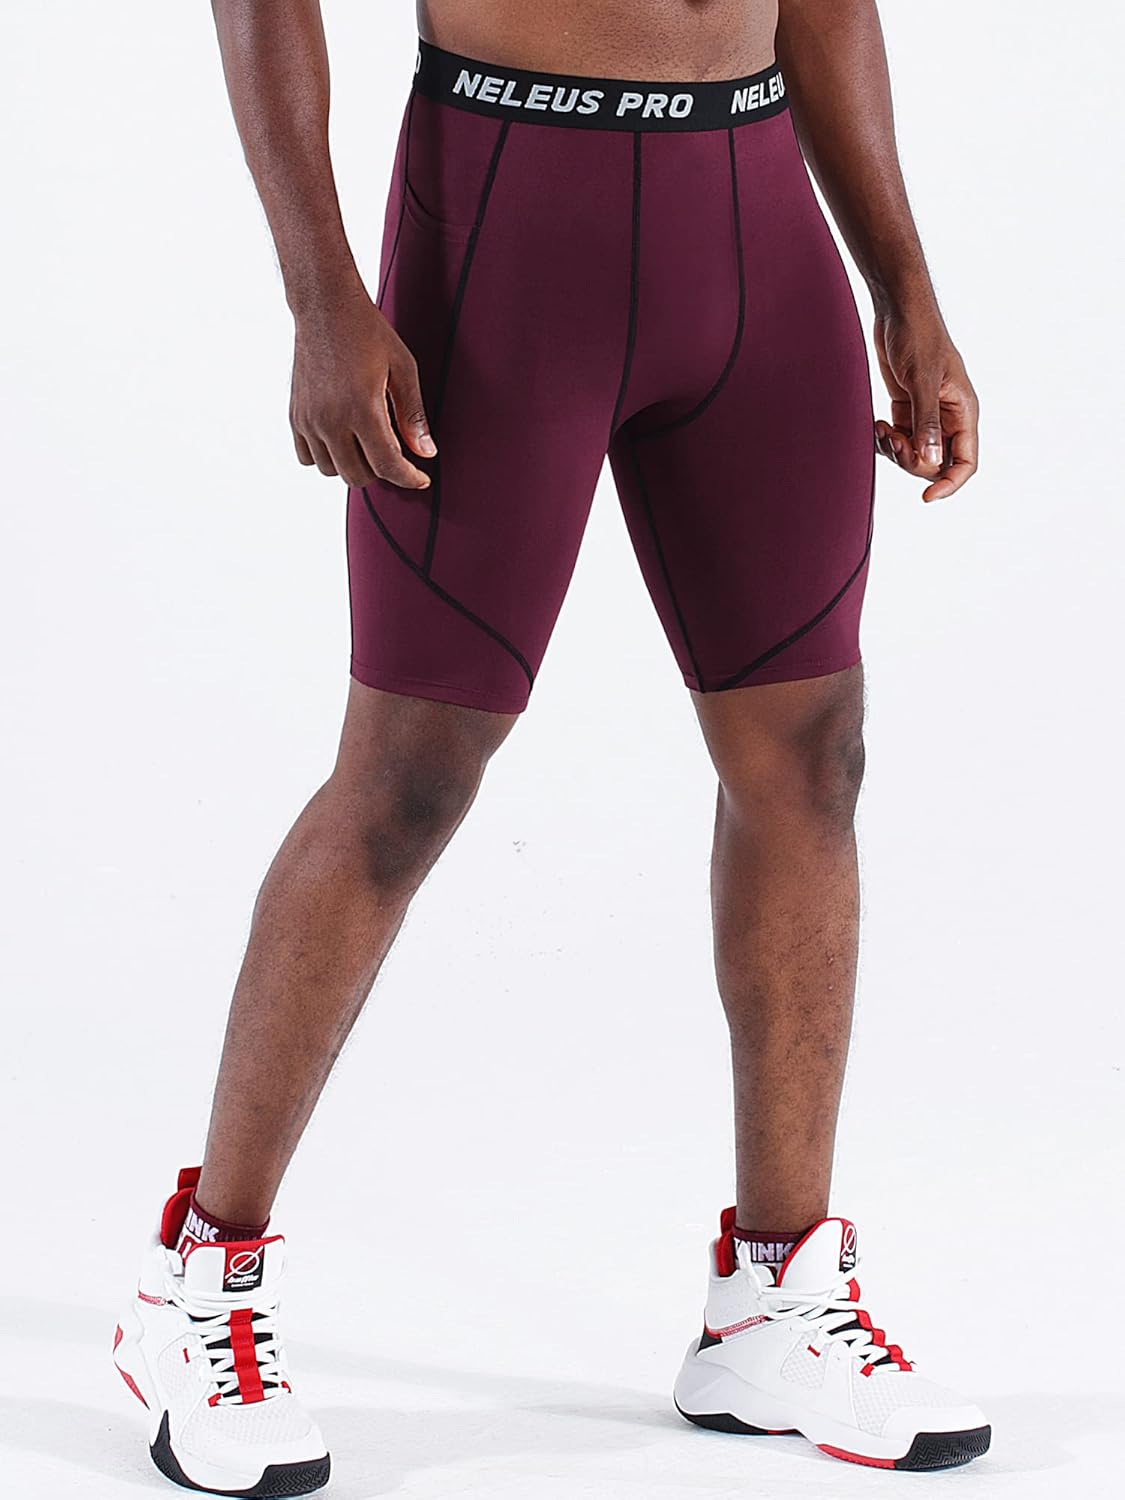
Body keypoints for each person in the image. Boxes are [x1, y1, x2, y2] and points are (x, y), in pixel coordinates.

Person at [111, 1, 987, 1492]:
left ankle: (772, 1301)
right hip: (506, 221)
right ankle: (198, 1279)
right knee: (409, 778)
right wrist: (321, 295)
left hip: (756, 219)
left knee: (808, 756)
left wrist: (904, 288)